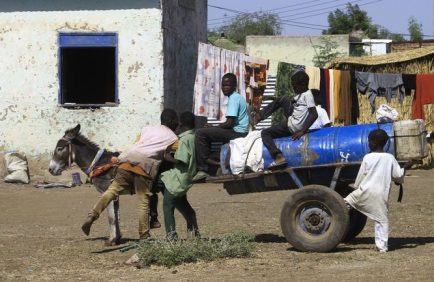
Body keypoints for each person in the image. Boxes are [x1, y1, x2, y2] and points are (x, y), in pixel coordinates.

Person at [81, 109, 179, 240]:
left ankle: (92, 215)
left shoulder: (147, 129)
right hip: (143, 168)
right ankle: (144, 235)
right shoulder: (173, 138)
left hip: (126, 162)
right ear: (172, 121)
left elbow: (136, 145)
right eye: (177, 121)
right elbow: (178, 153)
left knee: (111, 191)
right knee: (143, 201)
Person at [344, 129, 413, 252]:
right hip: (380, 193)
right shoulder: (390, 158)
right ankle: (382, 247)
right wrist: (405, 168)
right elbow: (398, 176)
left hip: (364, 191)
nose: (368, 143)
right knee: (381, 219)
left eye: (369, 141)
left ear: (374, 143)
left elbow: (361, 177)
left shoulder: (367, 157)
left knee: (345, 204)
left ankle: (336, 227)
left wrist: (356, 187)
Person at [253, 71, 318, 169]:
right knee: (283, 99)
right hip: (293, 120)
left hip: (293, 126)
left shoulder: (308, 95)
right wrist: (272, 98)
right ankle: (260, 116)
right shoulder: (301, 94)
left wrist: (302, 131)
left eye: (295, 86)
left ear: (304, 84)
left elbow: (314, 114)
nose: (293, 88)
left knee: (265, 133)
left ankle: (278, 156)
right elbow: (286, 101)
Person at [193, 73, 249, 180]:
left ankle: (203, 169)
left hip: (238, 133)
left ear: (234, 86)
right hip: (237, 131)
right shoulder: (237, 97)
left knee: (200, 133)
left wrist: (213, 127)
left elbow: (229, 123)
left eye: (227, 85)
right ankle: (214, 163)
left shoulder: (234, 98)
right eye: (223, 85)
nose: (224, 88)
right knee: (209, 132)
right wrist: (214, 127)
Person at [157, 111, 199, 239]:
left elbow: (182, 160)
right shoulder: (194, 136)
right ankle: (194, 232)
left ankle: (171, 236)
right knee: (181, 202)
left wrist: (167, 157)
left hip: (180, 176)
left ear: (180, 124)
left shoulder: (184, 139)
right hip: (188, 176)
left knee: (167, 204)